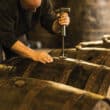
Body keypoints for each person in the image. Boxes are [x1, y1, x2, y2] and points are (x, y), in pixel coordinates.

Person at [0, 0, 70, 64]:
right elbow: (7, 37)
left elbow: (50, 22)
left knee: (19, 62)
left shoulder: (44, 2)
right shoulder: (5, 5)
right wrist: (33, 53)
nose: (34, 11)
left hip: (18, 32)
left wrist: (58, 24)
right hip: (4, 30)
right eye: (30, 8)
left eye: (37, 7)